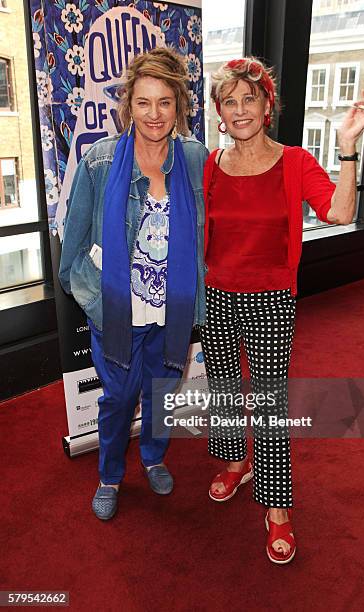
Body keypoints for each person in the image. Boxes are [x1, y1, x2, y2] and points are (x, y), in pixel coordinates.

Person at [200, 57, 364, 563]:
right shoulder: (211, 165)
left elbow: (339, 212)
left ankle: (277, 510)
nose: (239, 110)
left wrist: (347, 148)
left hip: (271, 298)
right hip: (217, 293)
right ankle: (235, 462)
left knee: (271, 406)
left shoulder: (295, 161)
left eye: (248, 100)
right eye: (229, 102)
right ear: (219, 112)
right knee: (226, 390)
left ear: (266, 106)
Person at [59, 48, 208, 520]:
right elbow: (73, 250)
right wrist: (100, 302)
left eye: (165, 102)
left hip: (174, 309)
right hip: (119, 311)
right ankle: (109, 474)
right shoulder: (101, 161)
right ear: (127, 105)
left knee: (162, 392)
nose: (154, 114)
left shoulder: (195, 158)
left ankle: (153, 457)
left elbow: (211, 233)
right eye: (143, 103)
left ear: (179, 106)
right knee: (120, 398)